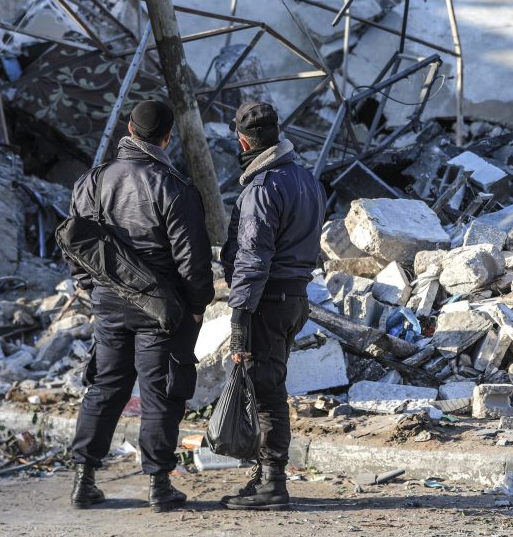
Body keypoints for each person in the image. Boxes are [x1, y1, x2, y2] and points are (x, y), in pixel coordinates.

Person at [68, 100, 214, 512]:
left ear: (129, 130)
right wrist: (198, 305)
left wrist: (88, 286)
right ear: (166, 137)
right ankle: (159, 486)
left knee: (105, 387)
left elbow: (75, 242)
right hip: (161, 308)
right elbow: (193, 260)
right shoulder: (173, 186)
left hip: (107, 301)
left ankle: (84, 480)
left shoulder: (91, 182)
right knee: (160, 393)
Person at [219, 101, 326, 511]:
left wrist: (239, 318)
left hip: (267, 300)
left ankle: (273, 484)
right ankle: (265, 476)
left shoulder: (262, 189)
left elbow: (252, 257)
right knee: (270, 387)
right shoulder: (305, 180)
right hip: (295, 298)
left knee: (266, 393)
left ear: (244, 141)